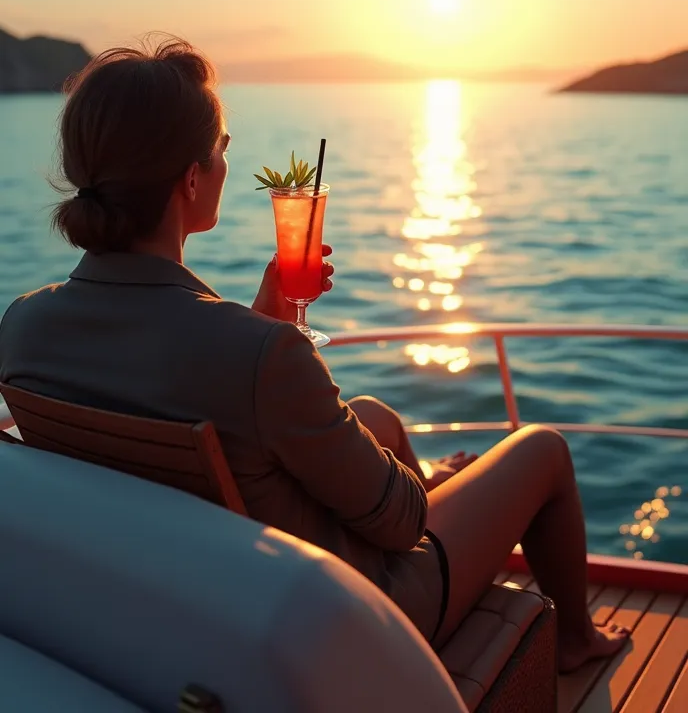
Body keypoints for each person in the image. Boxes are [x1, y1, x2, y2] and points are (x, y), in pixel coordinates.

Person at [0, 38, 627, 669]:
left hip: (182, 596)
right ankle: (572, 639)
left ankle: (424, 480)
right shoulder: (262, 355)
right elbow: (404, 526)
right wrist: (428, 486)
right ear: (191, 178)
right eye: (221, 150)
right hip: (338, 616)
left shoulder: (24, 327)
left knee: (375, 415)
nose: (222, 163)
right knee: (542, 449)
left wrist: (254, 325)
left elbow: (157, 383)